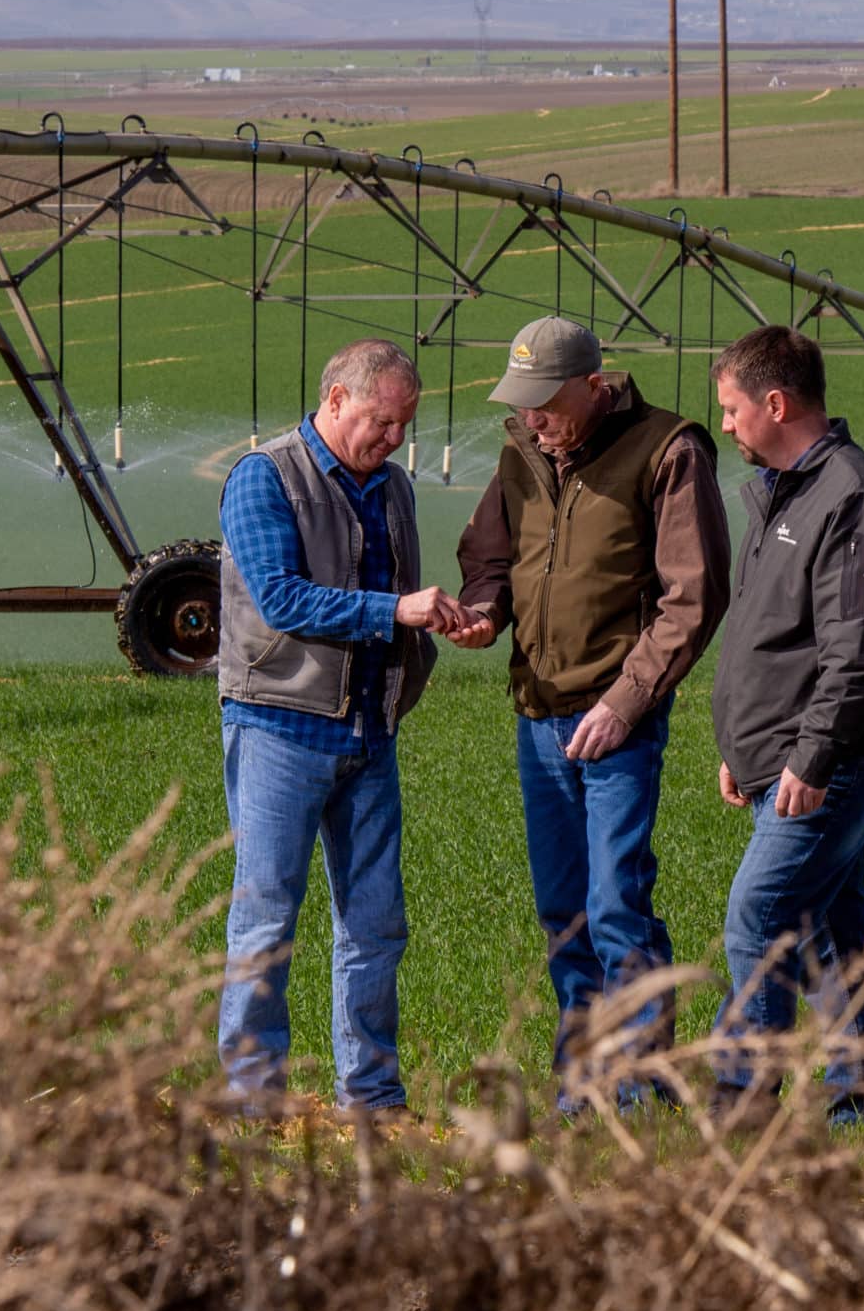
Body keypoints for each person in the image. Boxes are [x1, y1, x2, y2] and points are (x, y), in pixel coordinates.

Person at [453, 316, 730, 1109]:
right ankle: (583, 1082)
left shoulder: (668, 451)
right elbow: (489, 555)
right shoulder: (522, 453)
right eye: (521, 402)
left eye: (544, 401)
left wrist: (628, 700)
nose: (532, 417)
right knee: (562, 909)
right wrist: (483, 610)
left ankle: (641, 1086)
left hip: (617, 722)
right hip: (537, 713)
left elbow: (695, 597)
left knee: (616, 905)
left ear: (592, 383)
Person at [216, 337, 470, 1116]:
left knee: (376, 924)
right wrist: (396, 611)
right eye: (379, 420)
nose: (392, 438)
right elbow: (282, 601)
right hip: (280, 729)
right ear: (334, 401)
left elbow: (400, 606)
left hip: (368, 732)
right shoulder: (264, 479)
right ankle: (255, 1101)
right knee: (267, 917)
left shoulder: (392, 488)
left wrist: (443, 627)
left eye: (403, 425)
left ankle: (371, 1098)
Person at [707, 325, 864, 1130]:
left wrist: (812, 758)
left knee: (757, 919)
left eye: (731, 410)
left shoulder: (853, 497)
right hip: (782, 760)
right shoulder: (784, 490)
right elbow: (773, 635)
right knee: (834, 939)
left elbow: (856, 653)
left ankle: (743, 1112)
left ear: (775, 402)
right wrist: (744, 749)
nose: (726, 426)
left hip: (834, 763)